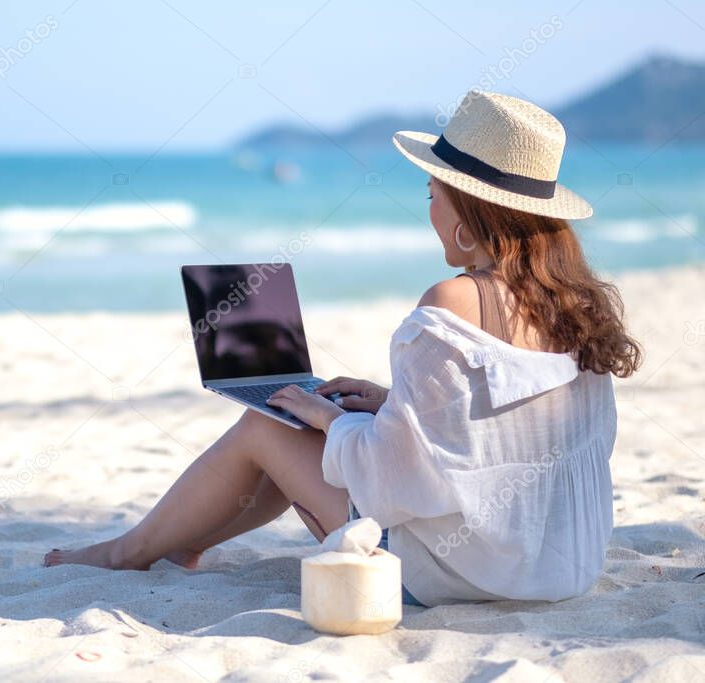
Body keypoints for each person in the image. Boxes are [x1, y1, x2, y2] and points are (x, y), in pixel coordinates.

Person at [43, 91, 642, 607]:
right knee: (309, 420)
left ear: (469, 211)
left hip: (461, 577)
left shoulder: (452, 302)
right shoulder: (575, 303)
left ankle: (125, 553)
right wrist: (388, 404)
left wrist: (330, 420)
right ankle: (189, 540)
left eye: (432, 192)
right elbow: (524, 427)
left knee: (270, 427)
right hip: (562, 567)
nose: (427, 206)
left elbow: (397, 483)